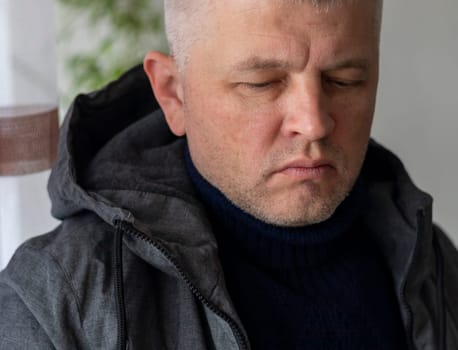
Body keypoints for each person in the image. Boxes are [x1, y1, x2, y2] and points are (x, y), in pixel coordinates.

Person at [0, 0, 457, 349]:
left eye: (345, 80)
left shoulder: (431, 262)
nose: (314, 122)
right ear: (174, 95)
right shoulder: (55, 303)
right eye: (262, 83)